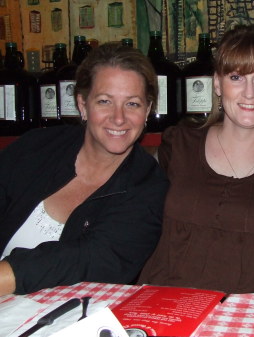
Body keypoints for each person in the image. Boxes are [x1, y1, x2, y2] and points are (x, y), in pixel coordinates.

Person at [138, 25, 254, 294]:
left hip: (250, 320)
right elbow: (132, 211)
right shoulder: (179, 145)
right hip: (167, 309)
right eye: (236, 77)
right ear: (217, 83)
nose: (249, 93)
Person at [0, 43, 169, 295]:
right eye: (104, 101)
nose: (119, 118)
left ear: (147, 110)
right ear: (82, 104)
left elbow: (92, 259)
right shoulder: (36, 147)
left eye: (132, 104)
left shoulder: (148, 187)